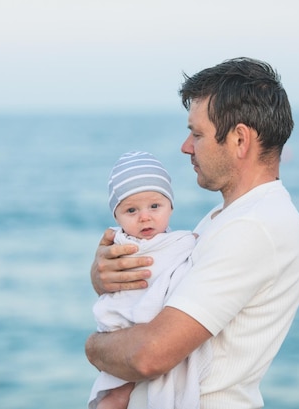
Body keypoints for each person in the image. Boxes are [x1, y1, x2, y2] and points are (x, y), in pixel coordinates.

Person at [85, 57, 299, 409]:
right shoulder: (228, 218)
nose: (186, 146)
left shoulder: (253, 227)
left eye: (197, 133)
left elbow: (149, 356)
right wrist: (106, 276)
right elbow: (159, 285)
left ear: (239, 139)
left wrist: (93, 347)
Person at [89, 151, 210, 409]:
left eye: (155, 206)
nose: (145, 217)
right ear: (116, 217)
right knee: (114, 396)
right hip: (123, 328)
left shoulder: (181, 241)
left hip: (155, 336)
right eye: (131, 210)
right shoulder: (120, 244)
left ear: (171, 206)